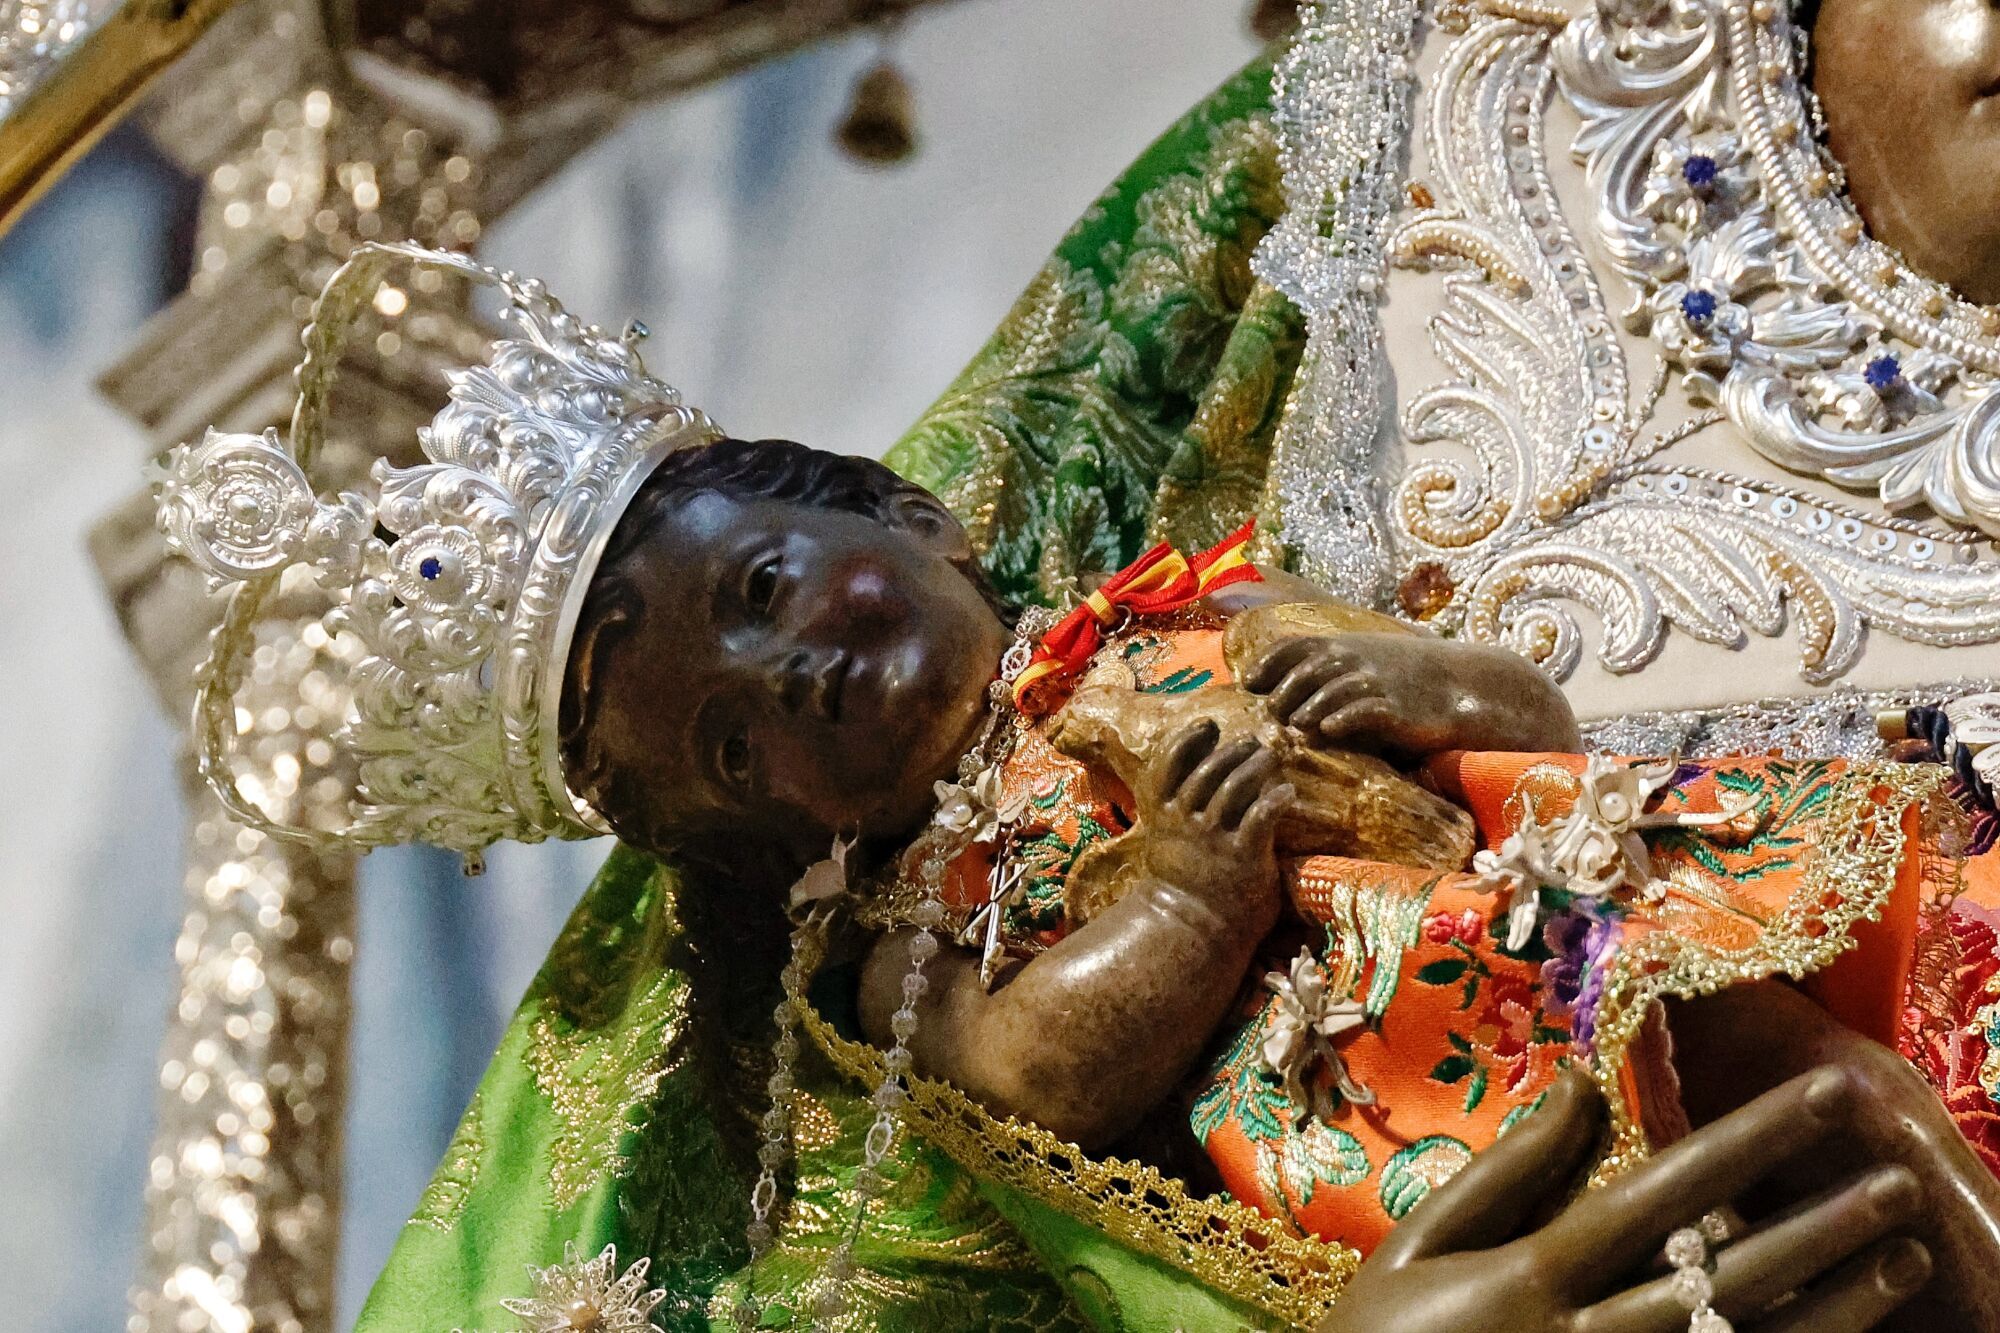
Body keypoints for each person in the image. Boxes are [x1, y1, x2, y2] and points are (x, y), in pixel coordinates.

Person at [153, 38, 2000, 1332]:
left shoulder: (1174, 602)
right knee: (1771, 1193)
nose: (797, 674)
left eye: (772, 587)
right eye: (735, 742)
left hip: (1572, 900)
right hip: (1401, 1086)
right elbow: (1030, 1070)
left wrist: (1415, 671)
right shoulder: (914, 933)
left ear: (923, 515)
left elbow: (1514, 715)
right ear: (764, 841)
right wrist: (1189, 897)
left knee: (1840, 1072)